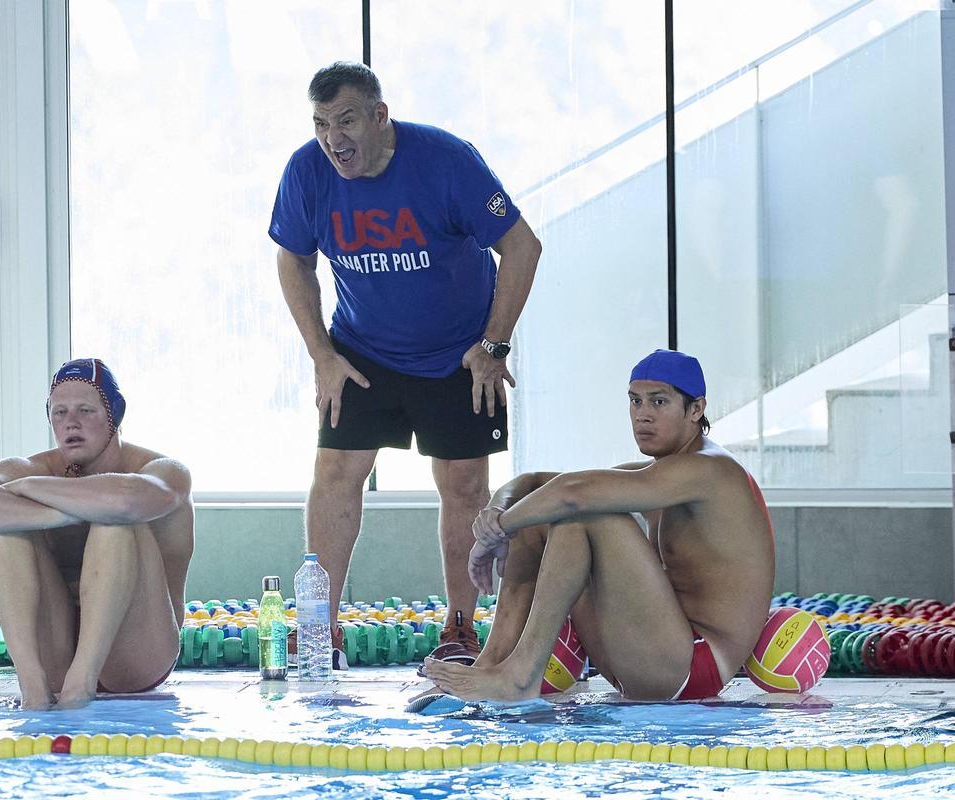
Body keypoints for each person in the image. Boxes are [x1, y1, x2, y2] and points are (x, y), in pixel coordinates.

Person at [269, 61, 542, 667]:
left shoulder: (446, 160)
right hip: (362, 350)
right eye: (320, 124)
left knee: (464, 484)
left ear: (379, 116)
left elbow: (522, 246)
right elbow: (293, 260)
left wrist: (495, 344)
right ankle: (321, 626)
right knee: (337, 471)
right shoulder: (307, 171)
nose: (333, 139)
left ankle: (460, 626)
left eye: (345, 121)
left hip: (460, 351)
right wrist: (321, 355)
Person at [423, 350, 774, 702]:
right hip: (646, 655)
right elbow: (536, 482)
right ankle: (491, 664)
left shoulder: (709, 469)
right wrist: (495, 514)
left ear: (696, 409)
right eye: (635, 402)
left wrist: (495, 531)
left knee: (585, 512)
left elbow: (574, 494)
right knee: (544, 512)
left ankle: (520, 675)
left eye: (659, 402)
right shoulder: (662, 472)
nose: (643, 415)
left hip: (690, 668)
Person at [0, 359, 193, 709]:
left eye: (85, 410)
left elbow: (126, 501)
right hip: (56, 654)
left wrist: (28, 488)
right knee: (4, 530)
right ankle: (33, 687)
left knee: (114, 521)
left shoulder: (159, 469)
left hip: (137, 654)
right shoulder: (37, 468)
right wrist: (59, 514)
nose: (70, 423)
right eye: (59, 412)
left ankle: (80, 686)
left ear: (114, 415)